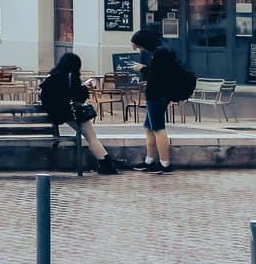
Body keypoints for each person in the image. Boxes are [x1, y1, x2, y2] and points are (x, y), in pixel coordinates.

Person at [39, 52, 125, 174]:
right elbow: (79, 97)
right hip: (72, 113)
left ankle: (107, 161)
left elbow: (46, 96)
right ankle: (106, 164)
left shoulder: (52, 76)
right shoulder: (71, 77)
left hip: (59, 114)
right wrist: (86, 87)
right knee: (91, 138)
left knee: (90, 137)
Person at [131, 27, 183, 174]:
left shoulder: (160, 53)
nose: (139, 49)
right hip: (157, 95)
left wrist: (142, 69)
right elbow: (160, 72)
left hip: (157, 95)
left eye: (138, 45)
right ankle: (150, 160)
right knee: (149, 128)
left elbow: (158, 75)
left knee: (158, 129)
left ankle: (165, 163)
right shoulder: (161, 52)